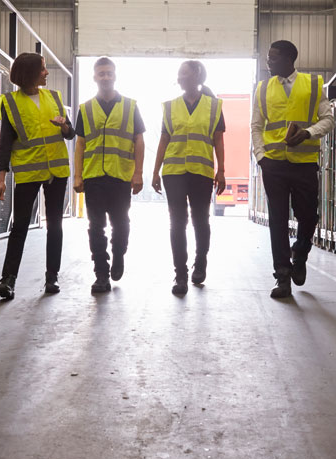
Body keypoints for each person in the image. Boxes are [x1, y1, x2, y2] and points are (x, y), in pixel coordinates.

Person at [252, 40, 334, 299]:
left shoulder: (312, 85)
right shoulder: (263, 88)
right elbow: (256, 125)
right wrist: (261, 156)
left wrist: (308, 133)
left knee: (308, 216)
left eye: (273, 58)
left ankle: (300, 254)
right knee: (277, 219)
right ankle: (282, 276)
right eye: (268, 58)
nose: (268, 63)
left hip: (304, 164)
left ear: (289, 59)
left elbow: (329, 118)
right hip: (273, 164)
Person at [0, 53, 75, 300]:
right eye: (43, 69)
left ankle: (52, 277)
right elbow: (5, 142)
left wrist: (63, 126)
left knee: (55, 224)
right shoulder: (9, 102)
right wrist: (2, 178)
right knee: (19, 226)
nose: (47, 72)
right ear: (29, 72)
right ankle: (8, 279)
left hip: (57, 171)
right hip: (28, 171)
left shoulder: (54, 98)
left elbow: (71, 134)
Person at [151, 60, 226, 296]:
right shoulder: (171, 107)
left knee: (200, 220)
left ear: (196, 75)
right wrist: (154, 171)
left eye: (183, 73)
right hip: (173, 172)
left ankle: (200, 261)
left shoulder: (214, 106)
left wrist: (221, 170)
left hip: (201, 172)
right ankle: (180, 274)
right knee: (177, 222)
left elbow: (218, 140)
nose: (179, 77)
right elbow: (164, 139)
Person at [73, 57, 146, 295]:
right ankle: (101, 274)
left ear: (115, 76)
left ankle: (118, 255)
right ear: (95, 77)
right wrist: (77, 176)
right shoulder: (85, 108)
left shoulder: (130, 106)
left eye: (109, 73)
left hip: (120, 176)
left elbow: (139, 140)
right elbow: (80, 144)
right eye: (101, 73)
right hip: (94, 176)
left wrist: (138, 173)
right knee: (96, 226)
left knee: (121, 223)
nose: (105, 77)